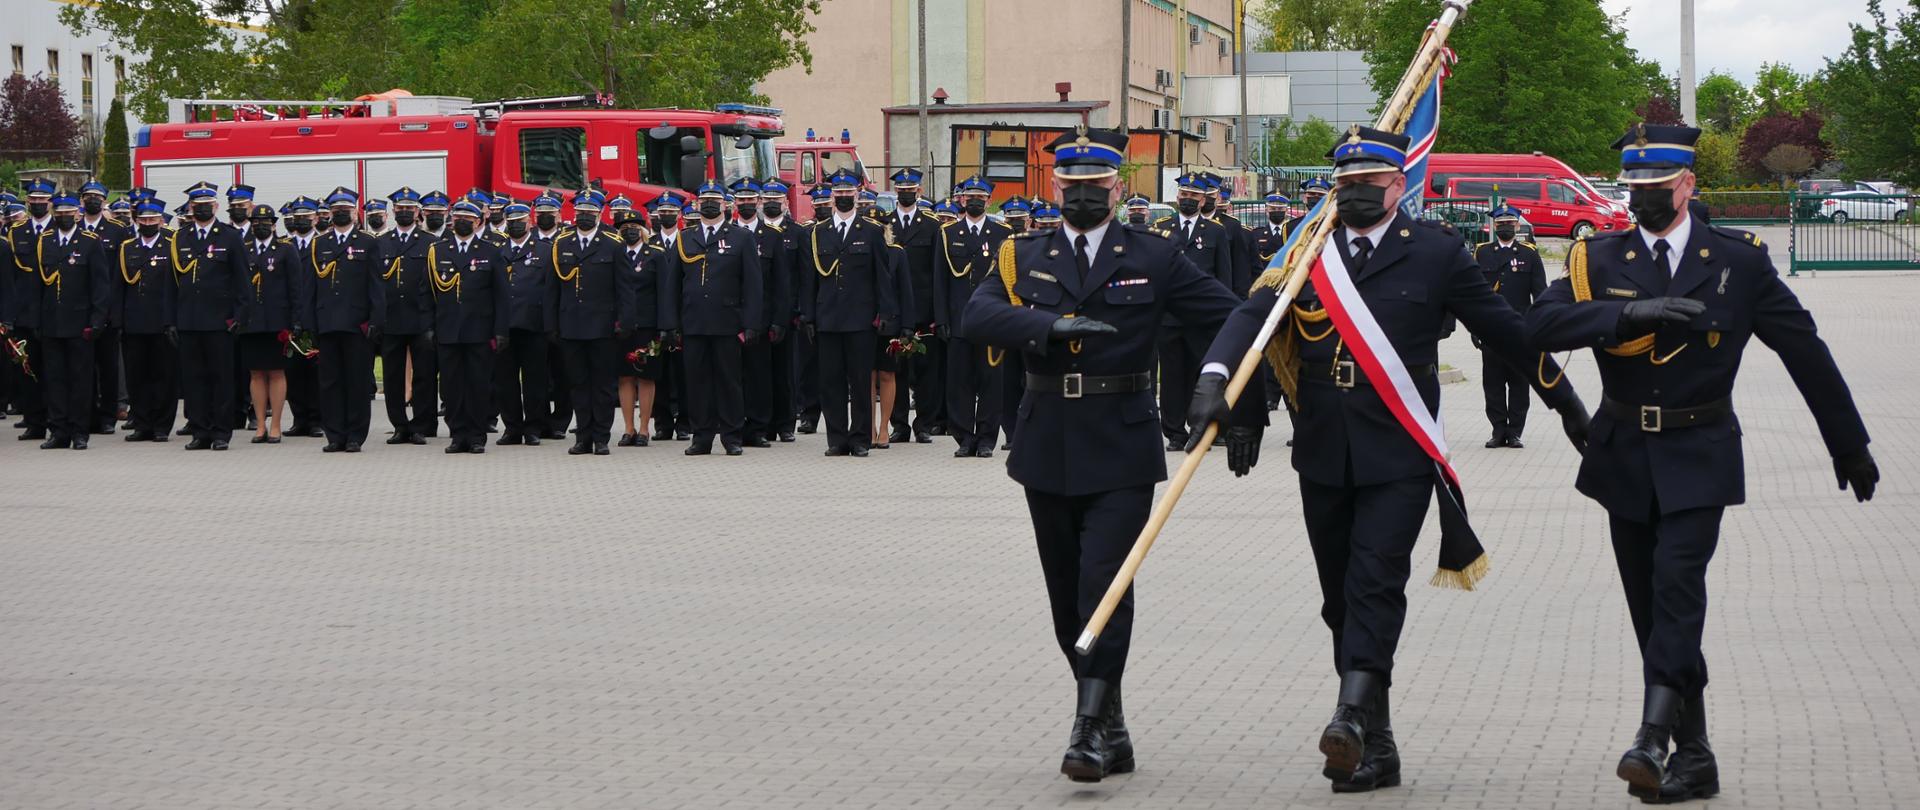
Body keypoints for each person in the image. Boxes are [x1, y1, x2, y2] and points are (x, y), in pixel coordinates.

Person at [1189, 126, 1591, 793]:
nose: (1351, 196)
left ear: (1397, 186)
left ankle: (1348, 716)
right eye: (1343, 186)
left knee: (1376, 582)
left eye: (1366, 186)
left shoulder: (1434, 253)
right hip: (1322, 448)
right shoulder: (1308, 250)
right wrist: (1214, 376)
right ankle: (1376, 738)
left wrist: (1568, 405)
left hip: (1399, 450)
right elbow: (1251, 315)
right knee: (1339, 600)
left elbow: (1506, 331)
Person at [1525, 123, 1877, 804]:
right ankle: (1696, 756)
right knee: (1651, 612)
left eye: (1657, 189)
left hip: (1700, 450)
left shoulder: (1736, 262)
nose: (1643, 200)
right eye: (1634, 189)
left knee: (1677, 586)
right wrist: (1623, 319)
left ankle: (1653, 735)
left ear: (1688, 185)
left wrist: (1848, 441)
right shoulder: (1596, 257)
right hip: (1625, 455)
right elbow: (1536, 327)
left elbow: (1802, 348)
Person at [962, 127, 1262, 783]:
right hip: (1045, 442)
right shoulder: (1021, 253)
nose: (1084, 198)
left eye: (1097, 188)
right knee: (1067, 597)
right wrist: (1047, 326)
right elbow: (976, 317)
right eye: (1072, 188)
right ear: (1054, 188)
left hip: (1123, 442)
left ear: (1118, 187)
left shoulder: (1153, 257)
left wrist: (1229, 391)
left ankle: (1088, 726)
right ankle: (1112, 719)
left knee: (1106, 585)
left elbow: (1234, 315)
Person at [799, 169, 896, 457]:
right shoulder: (818, 233)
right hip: (827, 318)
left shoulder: (871, 232)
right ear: (832, 196)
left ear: (857, 195)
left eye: (848, 193)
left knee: (860, 381)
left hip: (860, 319)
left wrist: (885, 314)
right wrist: (808, 315)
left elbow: (882, 277)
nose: (843, 197)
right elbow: (810, 280)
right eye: (838, 193)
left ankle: (860, 439)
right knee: (830, 383)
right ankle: (837, 439)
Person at [662, 179, 763, 456]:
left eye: (714, 200)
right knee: (697, 382)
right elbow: (672, 285)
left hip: (727, 322)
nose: (709, 204)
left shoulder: (740, 237)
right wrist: (670, 324)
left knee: (729, 381)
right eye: (704, 200)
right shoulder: (685, 238)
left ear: (725, 205)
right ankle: (701, 436)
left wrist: (752, 323)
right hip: (694, 322)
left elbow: (752, 285)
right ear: (696, 205)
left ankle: (732, 436)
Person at [1152, 173, 1235, 451]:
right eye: (1183, 195)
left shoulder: (1216, 232)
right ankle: (1175, 433)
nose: (1187, 199)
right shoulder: (1161, 228)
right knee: (1173, 378)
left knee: (1202, 377)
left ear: (1204, 200)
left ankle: (1201, 427)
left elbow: (1224, 277)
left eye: (1193, 196)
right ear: (1177, 197)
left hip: (1202, 319)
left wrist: (1223, 316)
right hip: (1169, 318)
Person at [300, 187, 385, 453]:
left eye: (344, 210)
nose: (339, 214)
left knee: (357, 382)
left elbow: (376, 286)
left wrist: (375, 320)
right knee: (329, 382)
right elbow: (310, 287)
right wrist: (308, 324)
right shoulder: (319, 244)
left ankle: (355, 436)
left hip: (356, 323)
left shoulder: (367, 243)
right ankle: (334, 434)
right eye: (335, 210)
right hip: (327, 323)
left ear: (354, 212)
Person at [935, 175, 1014, 458]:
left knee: (991, 382)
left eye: (981, 197)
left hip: (992, 321)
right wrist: (941, 318)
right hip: (958, 320)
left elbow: (1009, 280)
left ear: (989, 201)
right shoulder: (947, 233)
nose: (975, 201)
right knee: (960, 383)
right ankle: (964, 437)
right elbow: (940, 281)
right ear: (962, 200)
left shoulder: (1002, 233)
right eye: (970, 197)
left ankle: (986, 439)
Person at [28, 194, 112, 449]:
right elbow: (37, 286)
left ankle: (79, 431)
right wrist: (36, 320)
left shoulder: (89, 242)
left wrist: (97, 320)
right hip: (52, 322)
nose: (64, 216)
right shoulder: (45, 242)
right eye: (60, 212)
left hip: (80, 324)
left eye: (69, 212)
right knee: (54, 379)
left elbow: (100, 285)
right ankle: (59, 430)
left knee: (80, 380)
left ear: (77, 213)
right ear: (54, 214)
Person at [171, 182, 248, 451]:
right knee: (194, 379)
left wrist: (239, 315)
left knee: (221, 378)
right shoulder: (180, 238)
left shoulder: (229, 237)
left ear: (215, 207)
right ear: (191, 208)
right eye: (197, 204)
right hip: (189, 321)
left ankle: (220, 432)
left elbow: (242, 281)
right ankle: (200, 430)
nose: (202, 208)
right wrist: (172, 319)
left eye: (207, 204)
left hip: (220, 321)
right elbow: (172, 282)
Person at [548, 189, 626, 456]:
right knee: (578, 384)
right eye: (581, 212)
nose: (584, 217)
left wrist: (624, 322)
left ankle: (601, 437)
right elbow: (552, 289)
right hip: (571, 325)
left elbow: (624, 288)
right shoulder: (562, 243)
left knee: (603, 386)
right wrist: (552, 324)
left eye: (590, 213)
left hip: (603, 327)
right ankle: (583, 436)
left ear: (600, 214)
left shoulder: (613, 244)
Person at [428, 200, 509, 453]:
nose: (462, 222)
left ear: (478, 222)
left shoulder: (491, 251)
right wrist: (429, 327)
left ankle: (476, 436)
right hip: (448, 329)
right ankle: (457, 434)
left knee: (478, 384)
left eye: (468, 218)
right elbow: (427, 293)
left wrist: (500, 330)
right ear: (451, 222)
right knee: (451, 386)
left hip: (479, 330)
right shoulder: (438, 250)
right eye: (458, 218)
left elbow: (501, 295)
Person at [1474, 205, 1547, 449]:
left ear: (1517, 225)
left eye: (1509, 223)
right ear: (1494, 226)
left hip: (1520, 329)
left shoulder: (1529, 254)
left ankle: (1515, 431)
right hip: (1491, 329)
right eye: (1501, 223)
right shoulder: (1482, 253)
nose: (1505, 226)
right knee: (1492, 382)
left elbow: (1540, 294)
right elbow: (1473, 294)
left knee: (1519, 382)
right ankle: (1497, 430)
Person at [377, 187, 439, 445]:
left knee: (424, 374)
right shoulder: (382, 242)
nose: (404, 213)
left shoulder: (429, 242)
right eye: (400, 209)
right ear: (393, 212)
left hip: (421, 316)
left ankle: (422, 425)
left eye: (409, 209)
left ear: (418, 213)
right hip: (392, 317)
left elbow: (438, 283)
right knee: (392, 375)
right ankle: (400, 425)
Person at [731, 177, 790, 448]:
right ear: (734, 203)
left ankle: (758, 428)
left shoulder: (772, 236)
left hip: (763, 318)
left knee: (759, 376)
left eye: (750, 199)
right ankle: (733, 425)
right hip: (730, 318)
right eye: (740, 199)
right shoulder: (726, 234)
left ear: (758, 201)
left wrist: (779, 320)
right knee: (731, 376)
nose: (745, 204)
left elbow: (781, 283)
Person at [115, 198, 179, 441]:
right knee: (137, 376)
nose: (148, 223)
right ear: (137, 221)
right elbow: (118, 287)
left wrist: (173, 320)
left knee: (164, 376)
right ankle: (142, 423)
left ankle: (162, 426)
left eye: (153, 219)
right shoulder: (127, 247)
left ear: (161, 221)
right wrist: (118, 321)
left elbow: (176, 286)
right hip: (134, 321)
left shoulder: (171, 245)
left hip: (162, 322)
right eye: (144, 220)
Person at [234, 204, 297, 443]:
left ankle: (277, 425)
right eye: (256, 222)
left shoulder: (285, 250)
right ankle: (260, 424)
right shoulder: (245, 248)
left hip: (277, 321)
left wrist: (295, 321)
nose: (261, 226)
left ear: (274, 224)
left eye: (265, 222)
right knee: (256, 374)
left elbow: (295, 288)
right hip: (251, 322)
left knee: (277, 372)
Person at [493, 202, 552, 447]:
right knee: (504, 380)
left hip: (533, 325)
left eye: (521, 220)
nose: (517, 224)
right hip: (504, 326)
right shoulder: (496, 250)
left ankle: (533, 427)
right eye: (512, 220)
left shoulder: (545, 250)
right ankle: (512, 427)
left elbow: (550, 291)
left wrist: (550, 325)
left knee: (535, 380)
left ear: (530, 222)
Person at [5, 178, 57, 442]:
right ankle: (34, 421)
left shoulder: (60, 228)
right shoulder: (17, 231)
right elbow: (13, 277)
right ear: (27, 201)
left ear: (51, 201)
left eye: (42, 199)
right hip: (25, 312)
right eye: (33, 199)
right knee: (28, 368)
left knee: (56, 370)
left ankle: (57, 420)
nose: (38, 203)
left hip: (55, 310)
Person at [77, 179, 130, 435]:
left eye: (97, 196)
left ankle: (108, 415)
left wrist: (115, 310)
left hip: (107, 308)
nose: (92, 200)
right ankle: (87, 415)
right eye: (88, 196)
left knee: (108, 366)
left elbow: (121, 274)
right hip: (78, 310)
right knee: (83, 368)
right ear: (81, 201)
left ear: (105, 201)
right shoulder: (72, 229)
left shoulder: (118, 230)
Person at [613, 205, 662, 447]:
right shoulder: (615, 254)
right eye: (624, 228)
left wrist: (665, 325)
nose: (629, 231)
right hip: (622, 325)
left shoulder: (655, 254)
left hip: (647, 324)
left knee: (645, 376)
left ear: (643, 230)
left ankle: (644, 428)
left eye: (634, 227)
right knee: (624, 376)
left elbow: (663, 292)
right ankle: (628, 428)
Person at [758, 178, 801, 443]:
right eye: (768, 199)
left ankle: (786, 423)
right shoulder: (754, 233)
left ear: (785, 203)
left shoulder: (797, 233)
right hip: (760, 311)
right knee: (761, 371)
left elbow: (803, 275)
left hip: (788, 310)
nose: (772, 203)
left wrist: (799, 310)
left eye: (777, 199)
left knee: (785, 370)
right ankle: (764, 421)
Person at [280, 197, 325, 437]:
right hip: (288, 321)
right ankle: (299, 418)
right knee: (293, 371)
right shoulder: (284, 246)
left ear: (315, 219)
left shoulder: (322, 244)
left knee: (315, 371)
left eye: (307, 217)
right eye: (297, 217)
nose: (302, 221)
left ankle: (317, 419)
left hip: (314, 318)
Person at [531, 193, 574, 441]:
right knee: (538, 375)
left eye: (550, 212)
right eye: (541, 213)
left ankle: (559, 422)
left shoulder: (566, 239)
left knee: (561, 373)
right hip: (534, 317)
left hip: (560, 317)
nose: (545, 216)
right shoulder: (528, 239)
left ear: (559, 215)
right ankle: (538, 420)